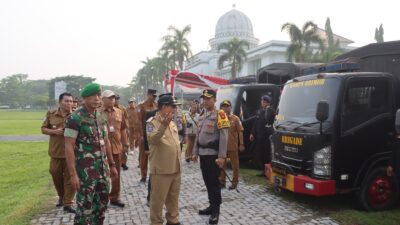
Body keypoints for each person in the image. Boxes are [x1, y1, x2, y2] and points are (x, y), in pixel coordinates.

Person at [64, 83, 118, 225]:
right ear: (85, 98)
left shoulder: (101, 117)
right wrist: (73, 174)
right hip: (85, 174)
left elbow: (106, 142)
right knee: (84, 210)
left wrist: (111, 165)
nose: (97, 98)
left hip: (102, 171)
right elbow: (68, 146)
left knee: (101, 207)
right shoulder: (75, 118)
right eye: (93, 96)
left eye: (98, 95)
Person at [192, 89, 229, 224]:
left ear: (214, 100)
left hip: (214, 156)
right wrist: (195, 152)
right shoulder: (202, 115)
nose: (205, 101)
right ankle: (211, 206)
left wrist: (222, 157)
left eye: (208, 98)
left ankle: (216, 211)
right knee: (207, 181)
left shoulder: (221, 114)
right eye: (204, 98)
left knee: (214, 184)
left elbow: (224, 137)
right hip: (203, 154)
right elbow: (198, 135)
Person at [146, 94, 182, 225]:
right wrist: (163, 125)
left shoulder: (172, 122)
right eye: (173, 106)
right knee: (157, 201)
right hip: (161, 169)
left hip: (175, 167)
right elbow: (153, 140)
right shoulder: (151, 123)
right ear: (164, 106)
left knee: (173, 198)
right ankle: (156, 222)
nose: (175, 109)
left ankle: (173, 220)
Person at [41, 92, 76, 213]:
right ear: (60, 102)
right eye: (67, 101)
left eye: (71, 101)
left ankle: (68, 203)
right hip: (56, 153)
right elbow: (43, 129)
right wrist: (55, 132)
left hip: (72, 153)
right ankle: (61, 196)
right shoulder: (51, 114)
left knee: (70, 178)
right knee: (55, 174)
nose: (69, 103)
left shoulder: (76, 115)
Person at [100, 90, 129, 208]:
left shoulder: (119, 112)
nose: (112, 100)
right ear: (102, 99)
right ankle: (101, 199)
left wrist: (125, 144)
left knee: (116, 174)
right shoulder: (97, 112)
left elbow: (123, 129)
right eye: (109, 98)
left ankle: (115, 197)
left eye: (113, 98)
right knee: (101, 175)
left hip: (116, 148)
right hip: (101, 149)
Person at [218, 100, 245, 190]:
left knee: (235, 166)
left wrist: (241, 144)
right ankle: (222, 182)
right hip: (222, 147)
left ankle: (234, 182)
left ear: (231, 107)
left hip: (233, 146)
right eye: (223, 106)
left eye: (227, 106)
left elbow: (240, 132)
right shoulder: (219, 118)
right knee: (222, 165)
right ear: (221, 108)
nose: (225, 108)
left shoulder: (235, 118)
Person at [135, 89, 158, 182]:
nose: (154, 98)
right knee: (144, 156)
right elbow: (138, 121)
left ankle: (154, 173)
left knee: (154, 155)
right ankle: (143, 175)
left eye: (155, 96)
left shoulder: (157, 106)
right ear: (148, 95)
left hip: (154, 135)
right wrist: (140, 135)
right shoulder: (141, 106)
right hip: (144, 135)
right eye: (153, 96)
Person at [249, 95, 275, 171]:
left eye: (264, 101)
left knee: (266, 154)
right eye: (262, 101)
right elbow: (255, 123)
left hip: (266, 136)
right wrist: (252, 133)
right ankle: (262, 169)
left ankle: (266, 171)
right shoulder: (260, 111)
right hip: (259, 136)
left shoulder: (271, 111)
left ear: (267, 103)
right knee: (259, 153)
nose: (262, 103)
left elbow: (271, 123)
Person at [114, 94, 130, 171]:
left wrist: (127, 129)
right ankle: (117, 163)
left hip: (123, 130)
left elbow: (126, 119)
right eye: (115, 99)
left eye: (117, 99)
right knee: (117, 147)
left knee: (125, 147)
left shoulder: (122, 109)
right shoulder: (110, 109)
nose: (116, 100)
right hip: (115, 132)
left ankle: (124, 163)